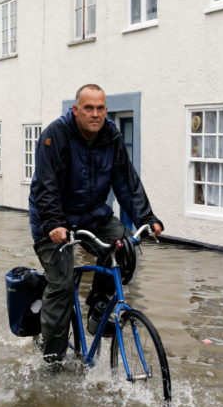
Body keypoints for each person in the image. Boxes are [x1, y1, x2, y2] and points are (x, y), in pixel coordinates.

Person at [28, 84, 163, 367]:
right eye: (88, 108)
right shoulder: (55, 135)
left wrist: (147, 219)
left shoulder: (111, 136)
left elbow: (126, 182)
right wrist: (53, 224)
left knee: (125, 247)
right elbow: (46, 186)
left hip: (93, 216)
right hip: (52, 219)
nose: (95, 114)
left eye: (101, 108)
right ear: (76, 110)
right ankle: (52, 362)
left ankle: (98, 308)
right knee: (62, 283)